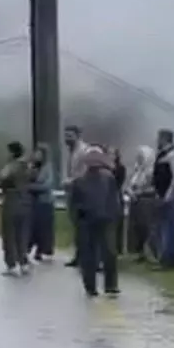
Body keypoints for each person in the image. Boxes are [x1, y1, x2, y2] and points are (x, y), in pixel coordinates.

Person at [71, 146, 121, 298]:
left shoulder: (108, 179)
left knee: (110, 253)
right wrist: (78, 220)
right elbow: (74, 204)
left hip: (106, 220)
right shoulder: (79, 182)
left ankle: (111, 285)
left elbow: (114, 200)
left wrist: (114, 216)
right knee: (88, 255)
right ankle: (90, 286)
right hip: (86, 222)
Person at [152, 128, 174, 270]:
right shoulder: (162, 156)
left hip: (171, 199)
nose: (157, 141)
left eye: (159, 138)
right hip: (162, 196)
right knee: (163, 229)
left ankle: (169, 261)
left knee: (169, 229)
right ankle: (163, 258)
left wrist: (168, 196)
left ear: (165, 140)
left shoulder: (173, 156)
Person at [0, 140, 33, 276]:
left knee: (9, 234)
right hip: (26, 202)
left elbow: (3, 177)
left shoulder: (12, 167)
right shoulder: (27, 167)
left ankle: (12, 264)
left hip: (12, 201)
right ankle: (23, 262)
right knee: (23, 234)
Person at [63, 123, 92, 267]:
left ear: (77, 136)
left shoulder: (84, 151)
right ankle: (79, 255)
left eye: (69, 136)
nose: (66, 139)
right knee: (76, 225)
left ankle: (84, 255)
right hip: (73, 191)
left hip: (81, 193)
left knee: (82, 226)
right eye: (65, 135)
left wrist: (71, 181)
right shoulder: (72, 151)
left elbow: (85, 172)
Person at [126, 143, 157, 260]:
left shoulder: (151, 172)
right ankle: (138, 252)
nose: (138, 158)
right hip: (134, 202)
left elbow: (154, 188)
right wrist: (130, 192)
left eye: (141, 156)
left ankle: (149, 253)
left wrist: (140, 192)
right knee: (136, 229)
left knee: (146, 228)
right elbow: (129, 184)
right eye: (138, 156)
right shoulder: (136, 170)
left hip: (146, 203)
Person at [28, 144, 55, 261]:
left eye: (39, 153)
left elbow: (47, 185)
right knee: (33, 227)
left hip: (45, 201)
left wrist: (31, 187)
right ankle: (29, 248)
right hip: (33, 202)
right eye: (36, 153)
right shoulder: (32, 167)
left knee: (43, 228)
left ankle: (41, 249)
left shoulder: (48, 168)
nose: (36, 156)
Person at [111, 146, 127, 257]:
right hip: (106, 197)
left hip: (116, 196)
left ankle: (117, 248)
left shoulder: (121, 168)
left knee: (117, 224)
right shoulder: (105, 167)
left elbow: (119, 182)